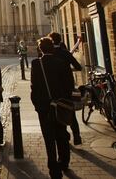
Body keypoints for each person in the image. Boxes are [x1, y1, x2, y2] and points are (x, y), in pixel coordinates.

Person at [31, 37, 74, 178]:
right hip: (60, 106)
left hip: (44, 108)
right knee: (62, 134)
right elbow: (69, 85)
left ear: (40, 49)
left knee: (49, 138)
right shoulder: (61, 63)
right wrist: (65, 102)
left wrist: (37, 106)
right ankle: (64, 162)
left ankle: (53, 169)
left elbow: (34, 87)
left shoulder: (36, 64)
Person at [49, 31, 82, 145]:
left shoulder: (50, 54)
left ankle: (64, 136)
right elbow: (78, 67)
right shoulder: (65, 53)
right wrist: (69, 70)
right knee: (70, 111)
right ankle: (77, 135)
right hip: (68, 87)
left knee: (58, 112)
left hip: (54, 88)